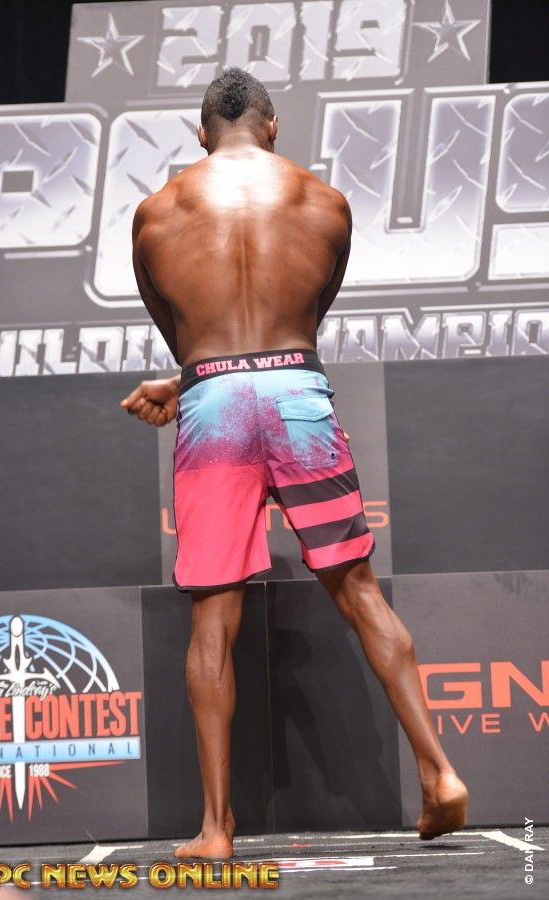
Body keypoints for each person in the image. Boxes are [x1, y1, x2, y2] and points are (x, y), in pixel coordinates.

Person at [120, 67, 468, 860]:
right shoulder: (325, 201)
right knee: (359, 589)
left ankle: (216, 830)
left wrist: (191, 377)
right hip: (297, 391)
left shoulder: (157, 211)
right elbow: (310, 313)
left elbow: (180, 328)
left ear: (201, 133)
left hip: (213, 402)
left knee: (213, 617)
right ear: (272, 126)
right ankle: (440, 773)